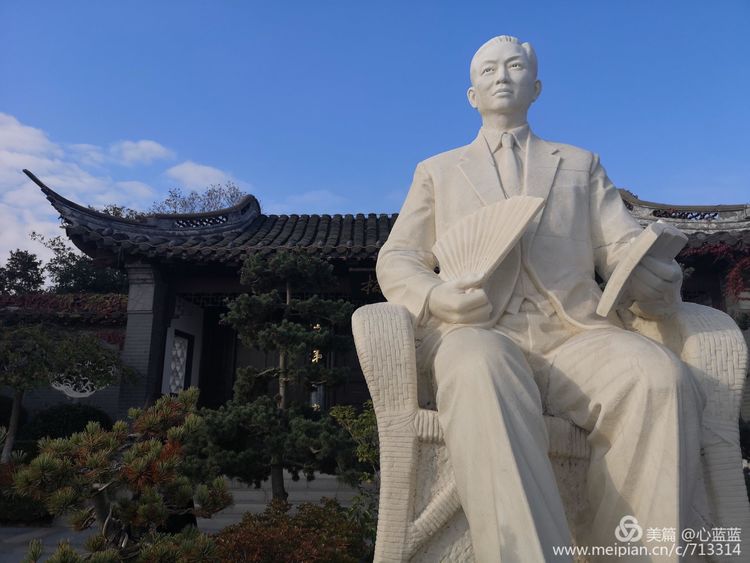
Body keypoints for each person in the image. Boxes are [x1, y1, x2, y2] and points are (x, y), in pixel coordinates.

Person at [376, 35, 706, 562]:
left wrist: (652, 276)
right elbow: (397, 258)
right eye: (488, 70)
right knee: (478, 367)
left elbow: (619, 246)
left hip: (576, 334)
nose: (501, 77)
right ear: (471, 95)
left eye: (514, 66)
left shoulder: (580, 164)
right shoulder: (437, 171)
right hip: (480, 330)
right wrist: (437, 296)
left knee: (658, 379)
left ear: (537, 87)